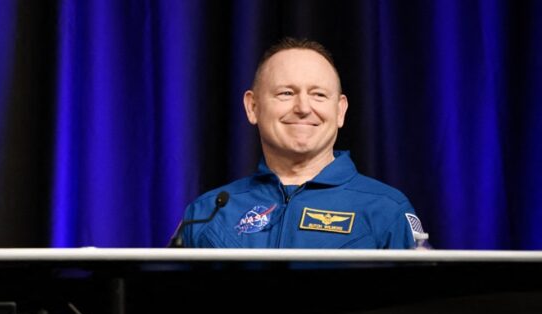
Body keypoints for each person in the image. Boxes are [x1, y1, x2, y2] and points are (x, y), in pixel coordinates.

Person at [177, 38, 428, 249]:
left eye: (318, 95)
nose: (303, 108)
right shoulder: (206, 213)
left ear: (340, 111)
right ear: (252, 107)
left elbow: (421, 306)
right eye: (286, 93)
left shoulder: (386, 209)